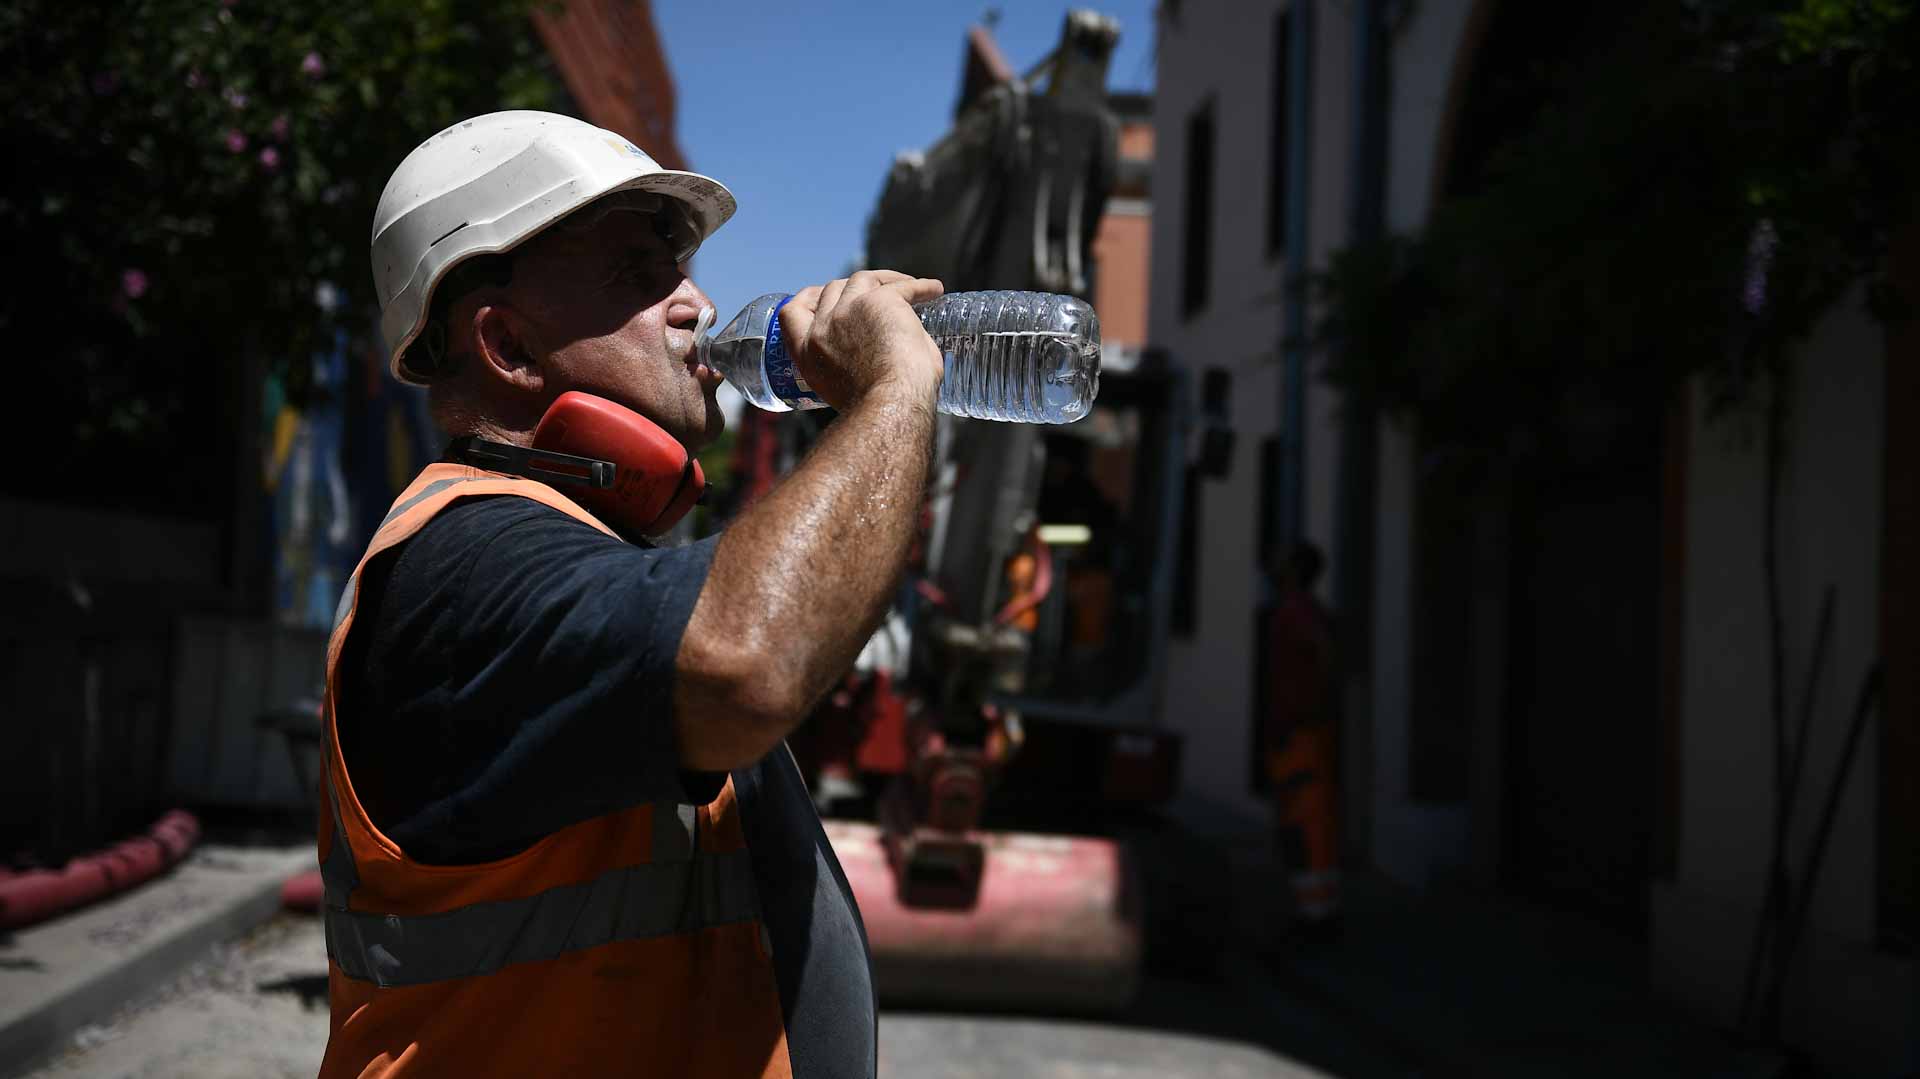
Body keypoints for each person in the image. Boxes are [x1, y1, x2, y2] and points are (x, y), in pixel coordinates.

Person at [317, 111, 945, 1078]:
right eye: (637, 275)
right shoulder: (465, 558)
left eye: (681, 269)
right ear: (509, 347)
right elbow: (745, 663)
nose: (696, 303)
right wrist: (894, 391)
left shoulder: (575, 543)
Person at [1265, 541, 1340, 934]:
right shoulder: (1310, 612)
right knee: (1311, 825)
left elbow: (1320, 656)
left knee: (1302, 826)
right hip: (1306, 731)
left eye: (1282, 562)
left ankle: (1313, 915)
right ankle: (1316, 909)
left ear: (1294, 571)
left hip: (1299, 735)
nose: (1274, 569)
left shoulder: (1294, 614)